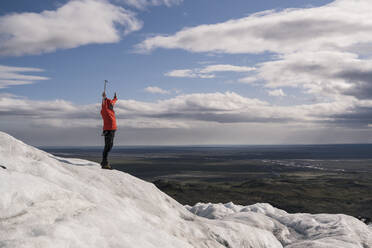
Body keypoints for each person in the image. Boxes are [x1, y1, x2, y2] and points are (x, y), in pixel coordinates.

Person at [100, 91, 117, 169]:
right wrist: (104, 97)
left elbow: (113, 102)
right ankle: (104, 163)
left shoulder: (110, 108)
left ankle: (104, 162)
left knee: (110, 145)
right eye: (110, 104)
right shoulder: (105, 109)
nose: (111, 105)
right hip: (108, 129)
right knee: (108, 146)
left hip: (112, 129)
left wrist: (115, 98)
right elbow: (104, 103)